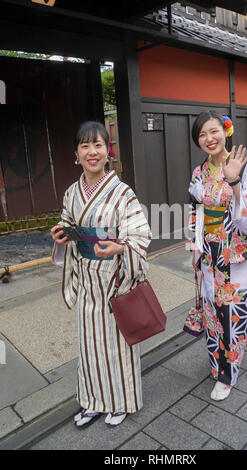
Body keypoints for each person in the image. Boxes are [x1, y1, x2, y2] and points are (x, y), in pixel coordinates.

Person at [51, 121, 152, 428]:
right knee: (89, 343)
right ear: (76, 155)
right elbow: (68, 223)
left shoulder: (122, 192)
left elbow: (140, 235)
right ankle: (93, 401)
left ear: (108, 152)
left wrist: (120, 247)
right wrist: (62, 235)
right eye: (85, 146)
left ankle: (120, 401)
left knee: (117, 342)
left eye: (98, 145)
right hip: (85, 278)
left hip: (114, 278)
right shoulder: (71, 193)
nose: (92, 152)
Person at [188, 110, 247, 401]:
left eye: (213, 131)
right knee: (212, 312)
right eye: (202, 134)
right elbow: (195, 211)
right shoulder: (199, 172)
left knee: (233, 315)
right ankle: (217, 365)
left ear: (226, 132)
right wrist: (194, 248)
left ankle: (228, 373)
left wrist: (234, 181)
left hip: (237, 256)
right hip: (209, 255)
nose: (209, 139)